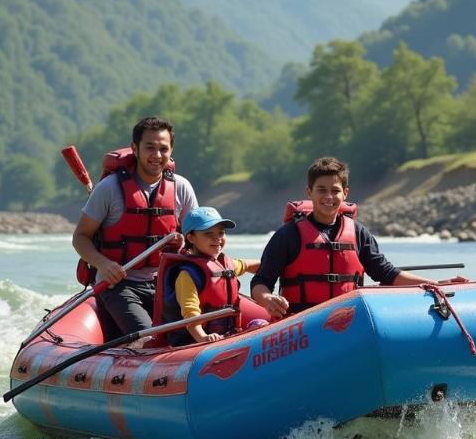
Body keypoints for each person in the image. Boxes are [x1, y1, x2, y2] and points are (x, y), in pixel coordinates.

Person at [250, 156, 435, 319]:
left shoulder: (359, 233)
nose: (329, 196)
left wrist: (436, 284)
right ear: (309, 191)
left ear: (345, 193)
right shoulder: (288, 235)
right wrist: (267, 299)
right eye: (321, 190)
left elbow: (387, 274)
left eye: (335, 190)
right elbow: (260, 283)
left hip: (347, 323)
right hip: (301, 324)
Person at [72, 116, 198, 335]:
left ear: (171, 152)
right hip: (119, 285)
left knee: (189, 334)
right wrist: (103, 264)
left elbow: (199, 238)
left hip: (166, 282)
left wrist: (184, 241)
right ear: (135, 148)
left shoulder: (181, 187)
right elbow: (80, 237)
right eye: (150, 147)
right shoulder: (109, 189)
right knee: (147, 335)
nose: (157, 156)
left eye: (163, 149)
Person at [160, 206, 263, 345]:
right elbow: (191, 315)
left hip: (226, 334)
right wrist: (203, 338)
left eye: (221, 232)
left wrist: (279, 268)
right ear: (191, 238)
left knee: (261, 323)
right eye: (208, 234)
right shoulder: (187, 275)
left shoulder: (227, 265)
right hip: (193, 341)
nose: (218, 238)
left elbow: (252, 266)